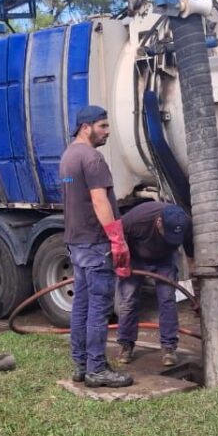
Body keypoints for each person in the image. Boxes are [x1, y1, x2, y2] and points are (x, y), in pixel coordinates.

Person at [58, 105, 134, 388]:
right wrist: (116, 238)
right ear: (86, 127)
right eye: (103, 126)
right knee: (99, 308)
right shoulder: (92, 158)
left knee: (81, 305)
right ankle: (97, 369)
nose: (107, 132)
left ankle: (80, 364)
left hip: (76, 242)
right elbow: (100, 201)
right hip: (95, 243)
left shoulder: (68, 156)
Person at [114, 201, 194, 367]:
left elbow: (191, 256)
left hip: (164, 260)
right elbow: (116, 236)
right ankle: (126, 345)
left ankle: (169, 348)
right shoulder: (137, 219)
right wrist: (121, 263)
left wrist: (197, 289)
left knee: (168, 300)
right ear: (158, 222)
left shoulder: (184, 223)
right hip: (135, 257)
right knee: (128, 301)